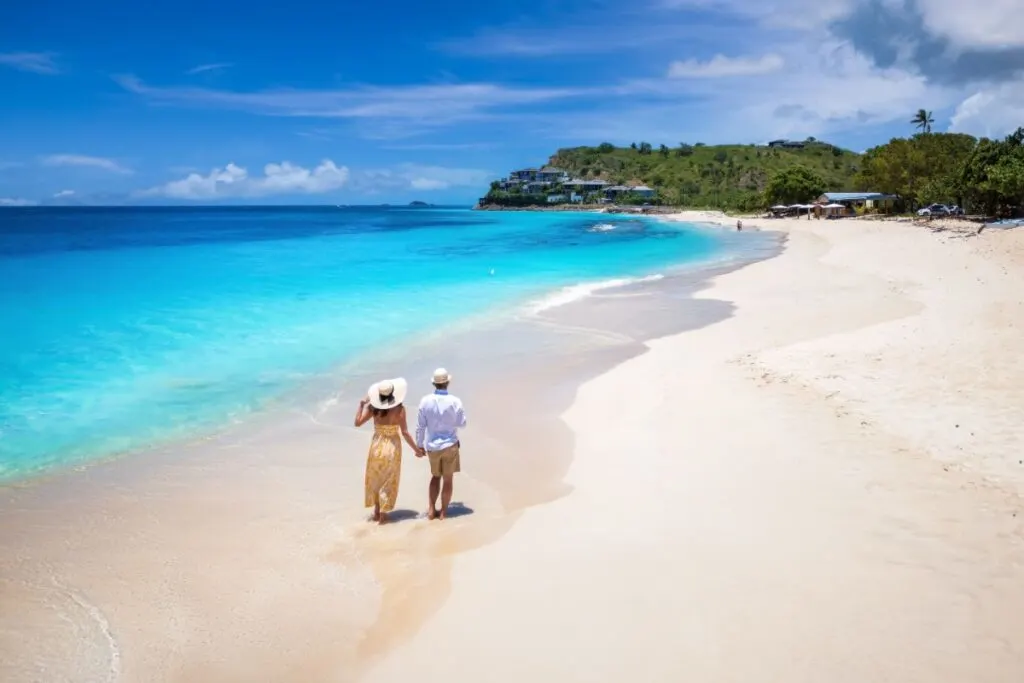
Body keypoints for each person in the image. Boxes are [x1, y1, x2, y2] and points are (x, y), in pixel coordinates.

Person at [354, 377, 421, 524]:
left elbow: (357, 423)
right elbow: (405, 433)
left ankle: (377, 512)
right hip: (392, 447)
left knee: (376, 478)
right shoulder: (399, 409)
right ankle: (383, 516)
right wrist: (417, 450)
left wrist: (361, 405)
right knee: (389, 481)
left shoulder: (373, 408)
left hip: (376, 446)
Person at [415, 368, 467, 520]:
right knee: (448, 479)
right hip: (450, 444)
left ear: (434, 384)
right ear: (448, 383)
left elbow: (420, 426)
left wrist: (419, 445)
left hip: (432, 446)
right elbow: (462, 423)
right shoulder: (455, 401)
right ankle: (443, 512)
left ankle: (431, 509)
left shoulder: (425, 401)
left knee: (435, 477)